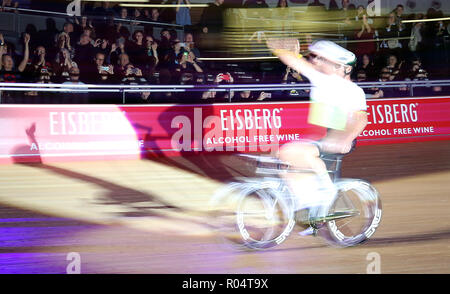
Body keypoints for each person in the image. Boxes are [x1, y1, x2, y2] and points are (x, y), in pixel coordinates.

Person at [266, 38, 368, 229]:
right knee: (283, 160)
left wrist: (346, 139)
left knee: (301, 153)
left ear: (341, 67)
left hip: (338, 137)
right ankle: (310, 206)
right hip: (320, 136)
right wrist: (277, 46)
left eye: (322, 59)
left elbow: (361, 119)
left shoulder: (354, 91)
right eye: (316, 58)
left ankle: (328, 193)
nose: (316, 61)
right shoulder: (320, 78)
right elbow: (294, 61)